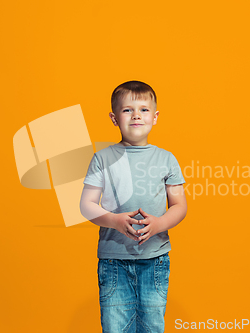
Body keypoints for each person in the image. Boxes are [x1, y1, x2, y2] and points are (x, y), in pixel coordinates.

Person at [80, 80, 187, 332]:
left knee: (151, 325)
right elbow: (86, 205)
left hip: (155, 259)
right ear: (114, 118)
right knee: (116, 326)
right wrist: (115, 221)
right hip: (114, 260)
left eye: (144, 109)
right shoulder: (102, 158)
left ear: (155, 117)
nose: (136, 115)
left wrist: (160, 223)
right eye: (127, 110)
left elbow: (180, 205)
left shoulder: (166, 159)